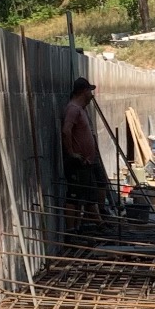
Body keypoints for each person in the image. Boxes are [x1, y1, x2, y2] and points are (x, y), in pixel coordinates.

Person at [60, 77, 112, 221]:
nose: (91, 94)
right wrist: (72, 153)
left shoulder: (81, 109)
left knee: (86, 197)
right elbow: (66, 131)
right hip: (77, 162)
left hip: (85, 161)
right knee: (74, 197)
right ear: (83, 91)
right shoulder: (73, 109)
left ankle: (93, 223)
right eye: (90, 90)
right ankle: (72, 230)